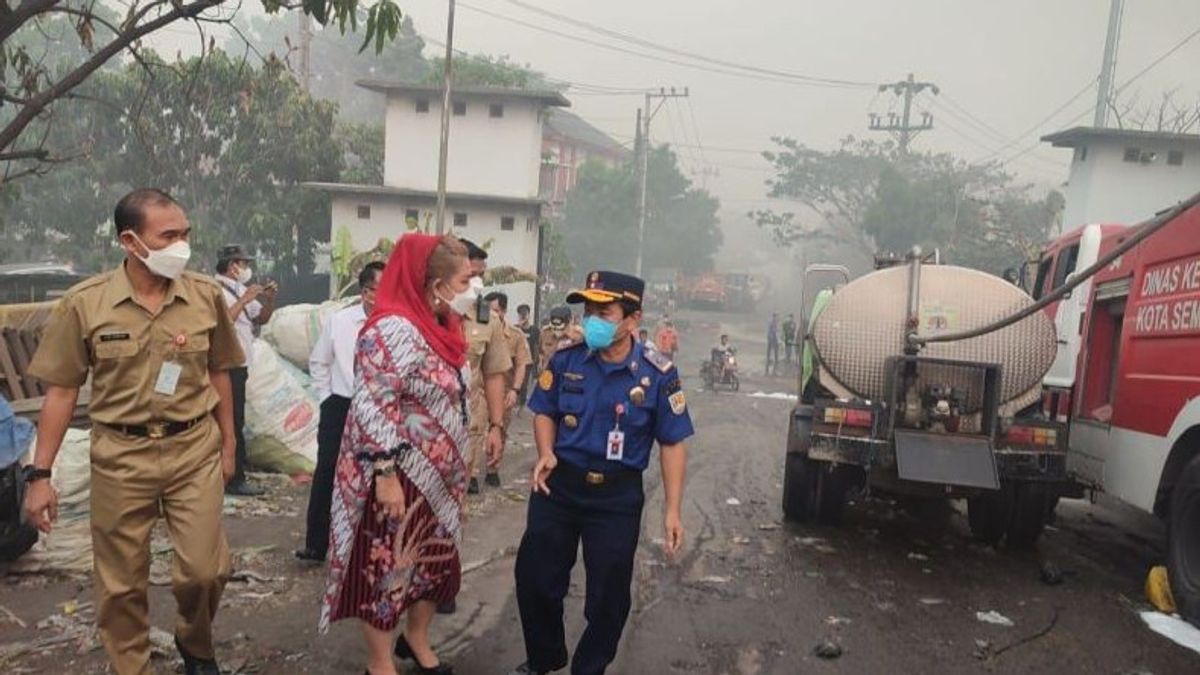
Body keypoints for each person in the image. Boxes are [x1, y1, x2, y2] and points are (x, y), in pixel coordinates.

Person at [24, 188, 243, 675]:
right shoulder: (85, 304)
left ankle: (194, 639)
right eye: (168, 236)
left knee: (206, 571)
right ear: (130, 241)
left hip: (193, 450)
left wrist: (229, 445)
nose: (181, 245)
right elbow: (60, 393)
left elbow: (220, 373)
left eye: (185, 234)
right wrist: (40, 475)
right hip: (121, 455)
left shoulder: (205, 296)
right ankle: (132, 667)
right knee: (122, 583)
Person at [510, 271, 694, 675]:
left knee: (609, 596)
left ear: (632, 319)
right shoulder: (565, 359)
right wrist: (545, 452)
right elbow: (544, 410)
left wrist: (673, 510)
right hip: (558, 485)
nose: (592, 318)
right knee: (534, 577)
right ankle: (544, 657)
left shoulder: (657, 374)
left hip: (616, 498)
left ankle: (589, 667)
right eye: (588, 309)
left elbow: (673, 442)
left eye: (603, 311)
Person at [320, 233, 471, 675]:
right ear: (434, 280)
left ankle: (417, 638)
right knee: (387, 567)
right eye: (463, 280)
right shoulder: (391, 328)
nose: (469, 289)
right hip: (399, 473)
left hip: (441, 479)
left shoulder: (446, 326)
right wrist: (385, 474)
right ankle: (380, 662)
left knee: (433, 564)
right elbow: (372, 403)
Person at [295, 261, 384, 564]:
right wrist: (326, 397)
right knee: (327, 472)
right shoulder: (341, 321)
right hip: (340, 404)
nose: (381, 296)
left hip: (377, 407)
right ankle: (316, 544)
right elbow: (319, 361)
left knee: (375, 472)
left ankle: (365, 545)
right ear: (365, 291)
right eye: (376, 290)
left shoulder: (393, 324)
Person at [215, 244, 277, 497]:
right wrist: (244, 299)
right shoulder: (215, 290)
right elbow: (221, 322)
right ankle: (233, 479)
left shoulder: (239, 289)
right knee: (230, 422)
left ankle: (233, 472)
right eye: (244, 264)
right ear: (232, 266)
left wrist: (269, 299)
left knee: (235, 420)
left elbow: (261, 318)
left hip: (240, 365)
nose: (247, 269)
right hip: (226, 366)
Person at [459, 240, 511, 498]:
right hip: (423, 429)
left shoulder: (487, 319)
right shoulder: (425, 312)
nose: (477, 282)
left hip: (469, 424)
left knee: (457, 503)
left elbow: (494, 375)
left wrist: (496, 427)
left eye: (481, 275)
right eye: (471, 274)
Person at [483, 291, 533, 488]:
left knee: (499, 429)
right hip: (478, 392)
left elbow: (522, 364)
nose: (491, 315)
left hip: (504, 392)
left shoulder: (516, 335)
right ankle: (470, 475)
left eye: (495, 311)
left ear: (504, 311)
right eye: (488, 311)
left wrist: (515, 389)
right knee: (474, 431)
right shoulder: (478, 330)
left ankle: (492, 469)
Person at [537, 306, 581, 374]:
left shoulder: (578, 336)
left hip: (568, 377)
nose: (557, 330)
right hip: (547, 375)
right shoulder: (545, 333)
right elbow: (540, 352)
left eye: (560, 327)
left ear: (569, 322)